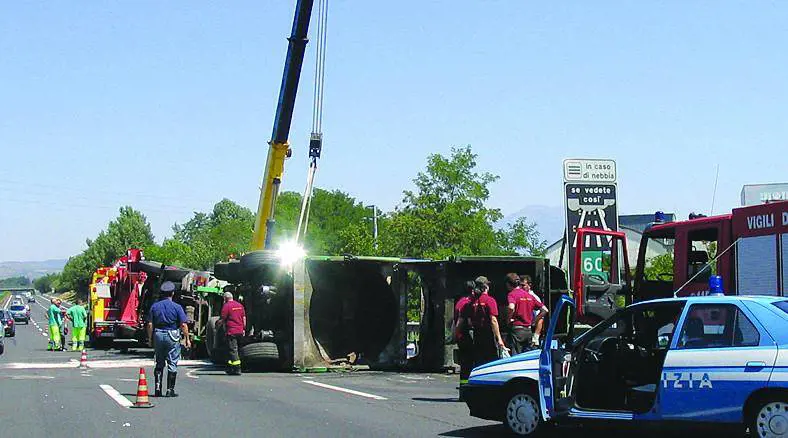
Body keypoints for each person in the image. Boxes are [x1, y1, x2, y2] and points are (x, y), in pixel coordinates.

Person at [147, 281, 191, 397]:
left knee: (159, 362)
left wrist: (150, 338)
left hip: (158, 334)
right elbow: (183, 325)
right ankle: (170, 390)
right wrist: (187, 339)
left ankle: (157, 388)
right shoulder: (177, 307)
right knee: (172, 361)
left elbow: (150, 324)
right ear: (172, 293)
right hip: (172, 334)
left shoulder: (155, 306)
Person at [461, 276, 508, 367]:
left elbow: (469, 321)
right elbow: (493, 320)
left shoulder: (470, 302)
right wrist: (499, 339)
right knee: (491, 361)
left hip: (476, 334)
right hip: (488, 334)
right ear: (486, 287)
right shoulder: (490, 300)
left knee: (479, 361)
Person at [505, 273, 548, 355]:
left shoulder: (512, 294)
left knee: (516, 358)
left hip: (517, 331)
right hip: (528, 331)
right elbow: (545, 310)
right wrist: (533, 321)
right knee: (526, 357)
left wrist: (508, 319)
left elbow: (511, 307)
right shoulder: (529, 296)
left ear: (508, 284)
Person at [452, 281, 475, 387]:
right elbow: (464, 321)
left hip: (461, 336)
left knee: (465, 365)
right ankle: (468, 388)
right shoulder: (469, 302)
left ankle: (463, 388)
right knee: (469, 364)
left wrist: (455, 335)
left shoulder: (459, 302)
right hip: (467, 335)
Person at [218, 291, 246, 376]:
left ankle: (237, 368)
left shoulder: (226, 306)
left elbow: (223, 319)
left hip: (231, 331)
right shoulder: (240, 305)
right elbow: (244, 318)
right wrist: (243, 328)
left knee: (232, 350)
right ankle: (231, 368)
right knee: (236, 349)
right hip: (240, 331)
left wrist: (217, 325)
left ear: (225, 298)